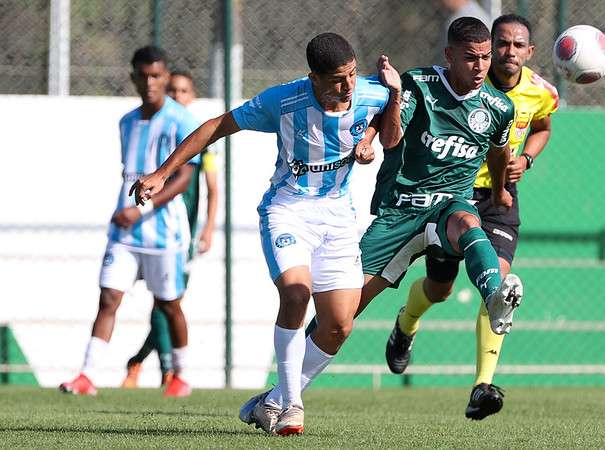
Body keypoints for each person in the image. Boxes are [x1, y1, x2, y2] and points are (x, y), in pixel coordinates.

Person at [240, 16, 523, 429]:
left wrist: (498, 191)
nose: (480, 66)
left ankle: (495, 296)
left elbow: (498, 151)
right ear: (449, 56)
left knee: (467, 222)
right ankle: (280, 396)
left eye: (484, 57)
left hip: (450, 205)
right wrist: (371, 138)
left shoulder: (499, 106)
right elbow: (387, 130)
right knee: (340, 317)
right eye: (470, 58)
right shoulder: (419, 84)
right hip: (399, 213)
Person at [131, 33, 396, 436]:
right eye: (338, 79)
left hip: (339, 217)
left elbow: (387, 125)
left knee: (339, 325)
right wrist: (162, 172)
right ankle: (292, 406)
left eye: (353, 75)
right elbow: (217, 126)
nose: (348, 87)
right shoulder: (284, 100)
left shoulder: (373, 92)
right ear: (314, 79)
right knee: (295, 292)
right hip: (287, 210)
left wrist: (374, 131)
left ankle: (272, 401)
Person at [388, 14, 558, 420]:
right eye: (501, 44)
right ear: (487, 46)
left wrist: (527, 159)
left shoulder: (540, 93)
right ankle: (405, 325)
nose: (508, 52)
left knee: (495, 287)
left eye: (518, 46)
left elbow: (543, 127)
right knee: (439, 289)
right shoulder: (462, 85)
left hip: (498, 198)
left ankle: (482, 385)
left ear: (530, 52)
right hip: (451, 196)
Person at [59, 46, 199, 398]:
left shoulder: (181, 121)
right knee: (108, 298)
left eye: (157, 76)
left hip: (163, 231)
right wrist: (128, 210)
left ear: (166, 78)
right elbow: (130, 176)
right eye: (144, 76)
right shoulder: (126, 122)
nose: (150, 83)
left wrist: (143, 209)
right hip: (124, 230)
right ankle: (87, 376)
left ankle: (182, 375)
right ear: (133, 78)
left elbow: (184, 179)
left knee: (169, 304)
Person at [122, 70, 219, 389]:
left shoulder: (203, 141)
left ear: (192, 96)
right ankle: (160, 368)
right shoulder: (160, 134)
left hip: (183, 232)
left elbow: (213, 188)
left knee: (168, 300)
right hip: (148, 226)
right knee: (164, 301)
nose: (177, 96)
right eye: (173, 90)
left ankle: (143, 362)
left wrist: (207, 229)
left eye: (183, 91)